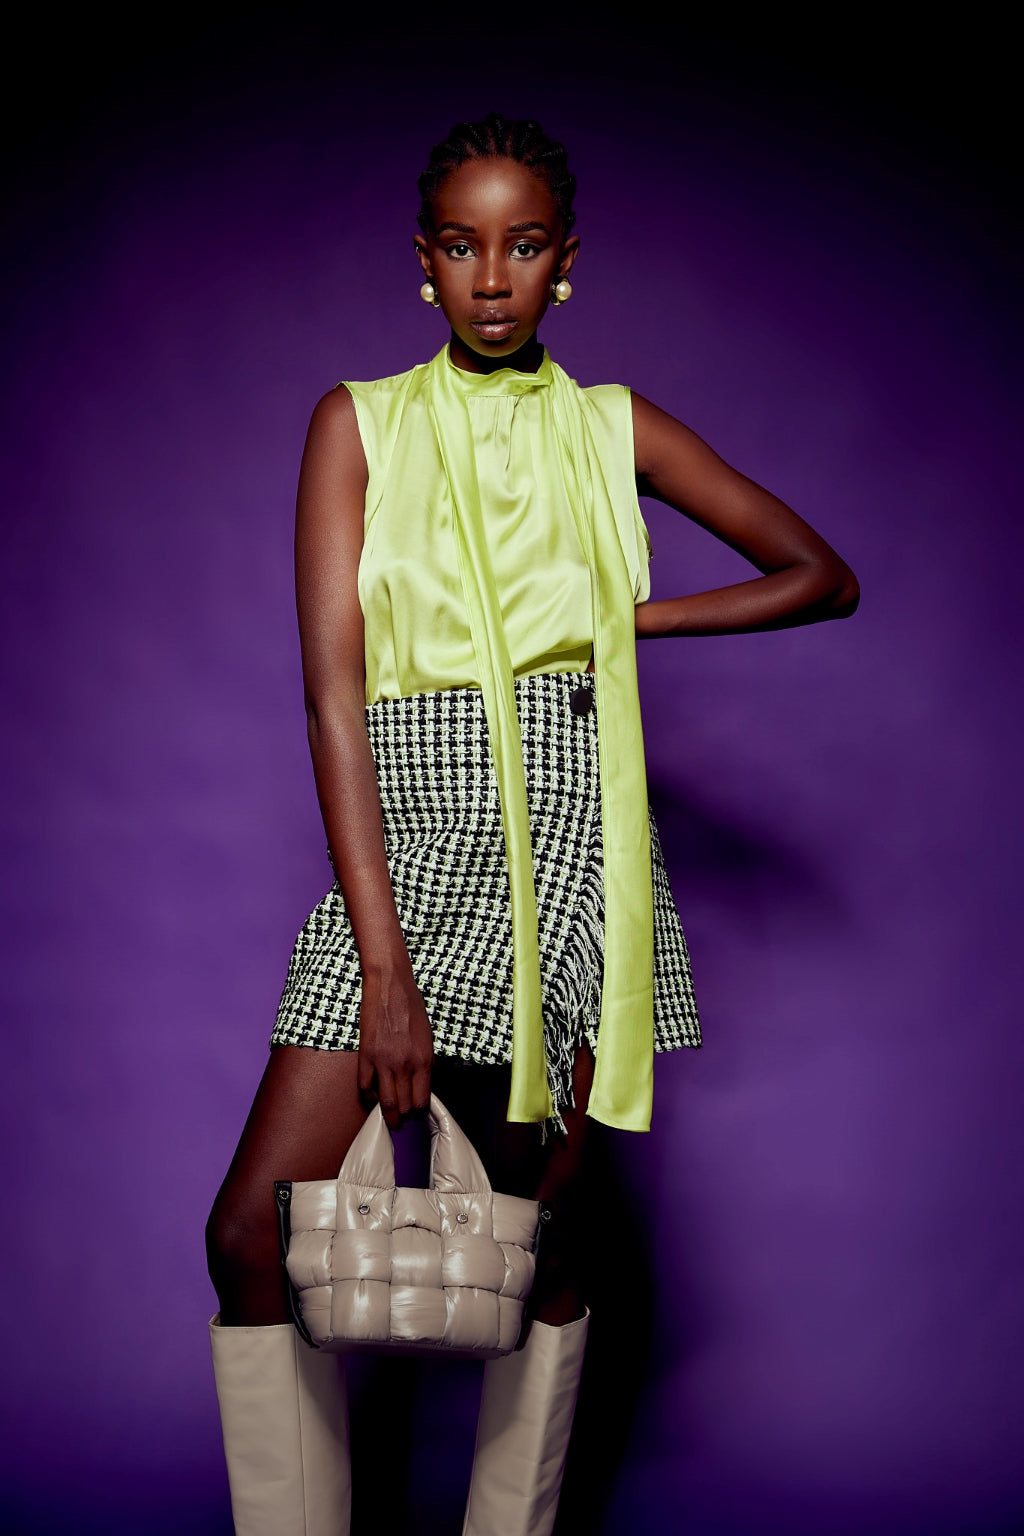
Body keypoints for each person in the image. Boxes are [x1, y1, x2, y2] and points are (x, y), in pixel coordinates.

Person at [205, 112, 859, 1536]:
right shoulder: (357, 421)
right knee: (253, 1238)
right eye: (460, 244)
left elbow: (819, 572)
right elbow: (332, 699)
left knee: (533, 1238)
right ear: (422, 261)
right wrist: (383, 967)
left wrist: (621, 627)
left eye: (523, 244)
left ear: (566, 262)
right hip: (408, 851)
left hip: (564, 843)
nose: (490, 278)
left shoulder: (611, 424)